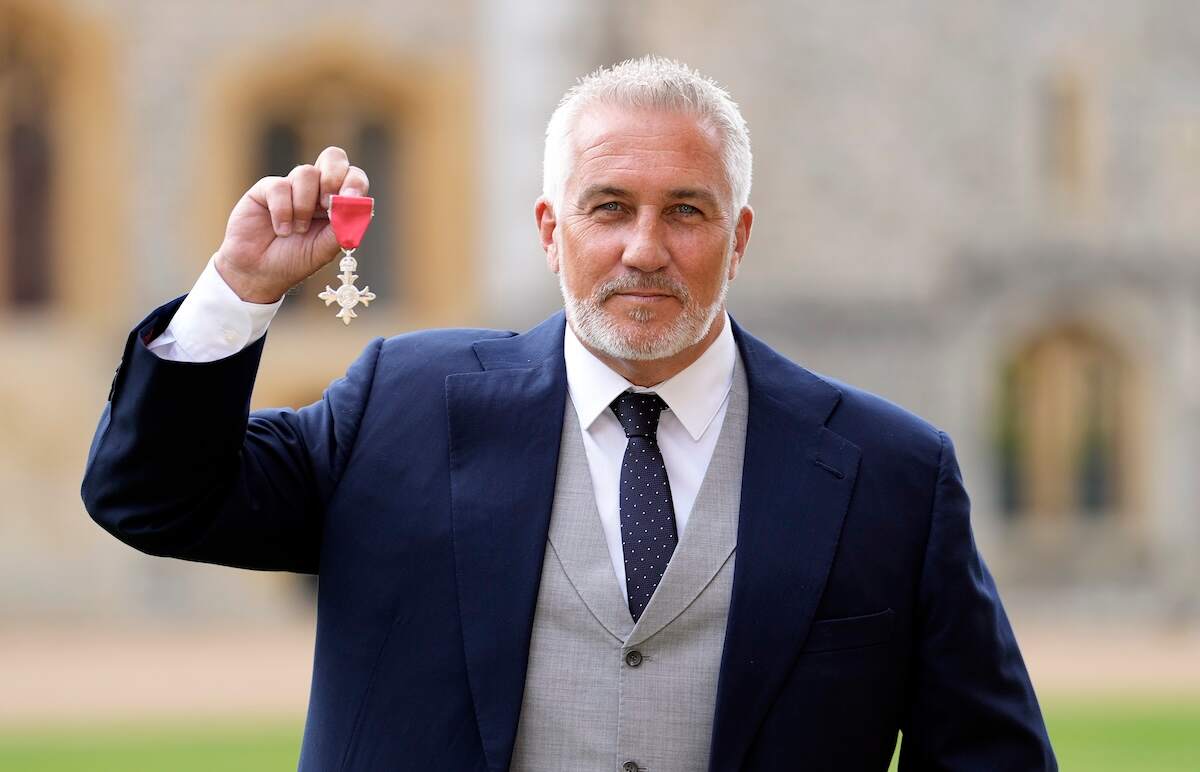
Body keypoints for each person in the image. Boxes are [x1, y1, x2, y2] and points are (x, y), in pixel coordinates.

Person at [82, 56, 1056, 771]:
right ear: (551, 231)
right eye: (608, 207)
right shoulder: (400, 407)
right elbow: (153, 497)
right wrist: (239, 290)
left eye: (686, 210)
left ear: (739, 236)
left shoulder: (891, 471)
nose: (644, 248)